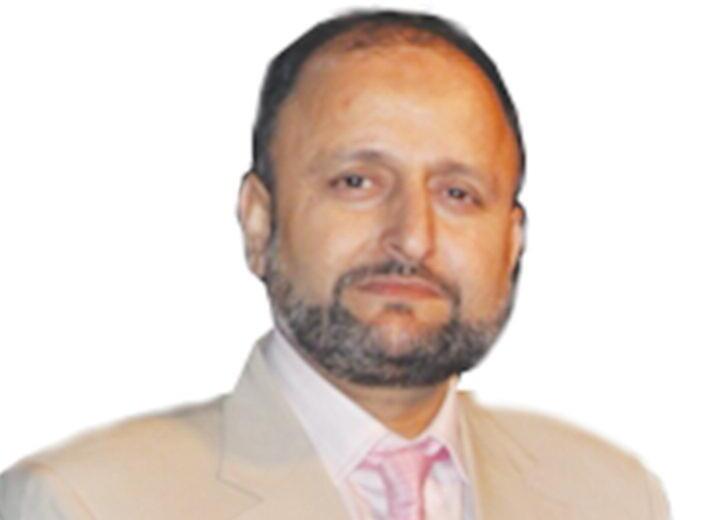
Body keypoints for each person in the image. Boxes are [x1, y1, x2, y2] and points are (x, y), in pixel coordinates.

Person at [0, 9, 669, 519]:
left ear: (513, 241)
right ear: (260, 222)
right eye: (357, 182)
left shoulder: (614, 498)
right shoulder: (82, 505)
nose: (413, 239)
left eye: (458, 194)